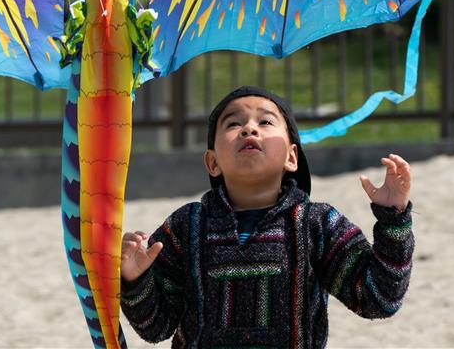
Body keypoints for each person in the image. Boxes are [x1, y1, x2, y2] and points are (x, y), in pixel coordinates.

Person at [120, 86, 413, 348]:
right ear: (212, 162)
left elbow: (378, 299)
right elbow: (155, 328)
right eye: (233, 123)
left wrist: (393, 220)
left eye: (265, 121)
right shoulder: (185, 227)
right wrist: (134, 280)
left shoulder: (317, 225)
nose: (249, 129)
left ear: (291, 158)